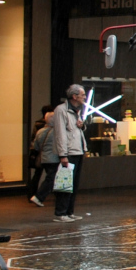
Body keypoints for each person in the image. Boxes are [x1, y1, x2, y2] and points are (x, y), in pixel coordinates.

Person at [52, 84, 89, 223]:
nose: (84, 97)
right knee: (65, 183)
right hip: (69, 151)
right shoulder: (61, 110)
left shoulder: (77, 110)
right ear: (74, 96)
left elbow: (77, 129)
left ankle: (69, 211)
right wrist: (63, 154)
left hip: (77, 150)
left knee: (73, 183)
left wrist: (82, 125)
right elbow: (60, 133)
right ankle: (61, 212)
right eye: (82, 95)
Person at [28, 106, 56, 207]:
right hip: (53, 158)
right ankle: (39, 196)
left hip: (43, 157)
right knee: (51, 178)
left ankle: (32, 194)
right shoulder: (56, 132)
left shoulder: (39, 131)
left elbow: (35, 145)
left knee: (40, 176)